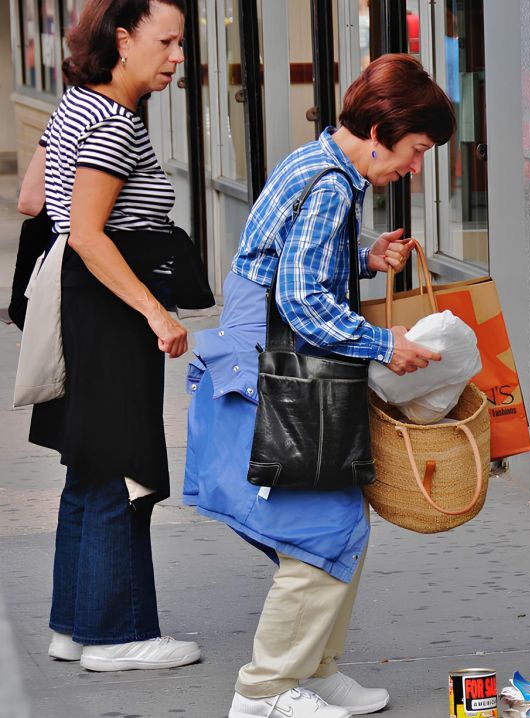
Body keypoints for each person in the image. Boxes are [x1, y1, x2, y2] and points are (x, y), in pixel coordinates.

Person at [183, 53, 455, 718]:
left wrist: (366, 259)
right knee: (320, 530)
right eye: (417, 150)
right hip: (282, 380)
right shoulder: (332, 185)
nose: (415, 168)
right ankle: (266, 690)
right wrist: (386, 343)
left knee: (338, 522)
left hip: (278, 377)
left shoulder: (321, 167)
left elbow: (290, 270)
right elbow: (304, 302)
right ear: (380, 130)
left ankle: (314, 670)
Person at [22, 0, 209, 673]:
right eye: (168, 42)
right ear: (124, 40)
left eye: (180, 43)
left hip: (82, 309)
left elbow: (31, 201)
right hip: (112, 313)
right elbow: (88, 231)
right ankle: (117, 635)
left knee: (92, 466)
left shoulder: (75, 106)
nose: (178, 56)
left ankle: (76, 626)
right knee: (122, 469)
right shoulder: (113, 122)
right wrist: (156, 314)